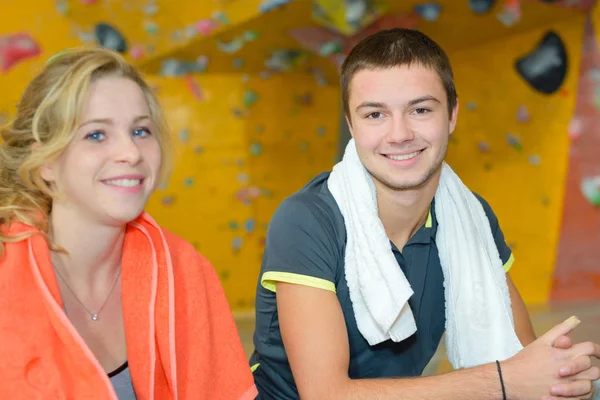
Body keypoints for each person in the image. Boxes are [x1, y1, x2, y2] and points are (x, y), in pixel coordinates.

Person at [249, 28, 600, 400]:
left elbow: (521, 358)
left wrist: (559, 376)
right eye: (375, 114)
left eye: (420, 110)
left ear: (451, 115)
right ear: (351, 126)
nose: (399, 134)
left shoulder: (472, 218)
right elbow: (325, 395)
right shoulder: (307, 221)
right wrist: (502, 381)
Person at [0, 48, 257, 400]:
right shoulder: (6, 269)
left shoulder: (183, 269)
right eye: (96, 135)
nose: (131, 153)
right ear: (44, 160)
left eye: (140, 130)